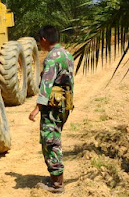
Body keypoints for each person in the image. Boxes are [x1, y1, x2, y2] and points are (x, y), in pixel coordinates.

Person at [29, 25, 74, 193]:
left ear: (44, 40)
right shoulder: (66, 54)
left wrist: (36, 109)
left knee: (50, 141)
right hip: (64, 105)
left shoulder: (51, 58)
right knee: (54, 138)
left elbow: (46, 86)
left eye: (39, 41)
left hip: (52, 107)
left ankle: (57, 184)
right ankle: (55, 177)